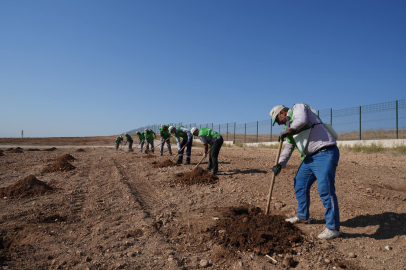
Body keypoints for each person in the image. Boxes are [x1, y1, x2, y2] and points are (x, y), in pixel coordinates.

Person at [270, 103, 340, 240]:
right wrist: (280, 164)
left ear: (282, 113)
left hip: (325, 152)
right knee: (300, 183)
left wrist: (288, 131)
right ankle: (303, 217)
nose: (278, 124)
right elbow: (289, 147)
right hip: (310, 158)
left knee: (325, 189)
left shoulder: (299, 107)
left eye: (277, 120)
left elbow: (301, 121)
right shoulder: (289, 127)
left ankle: (333, 228)